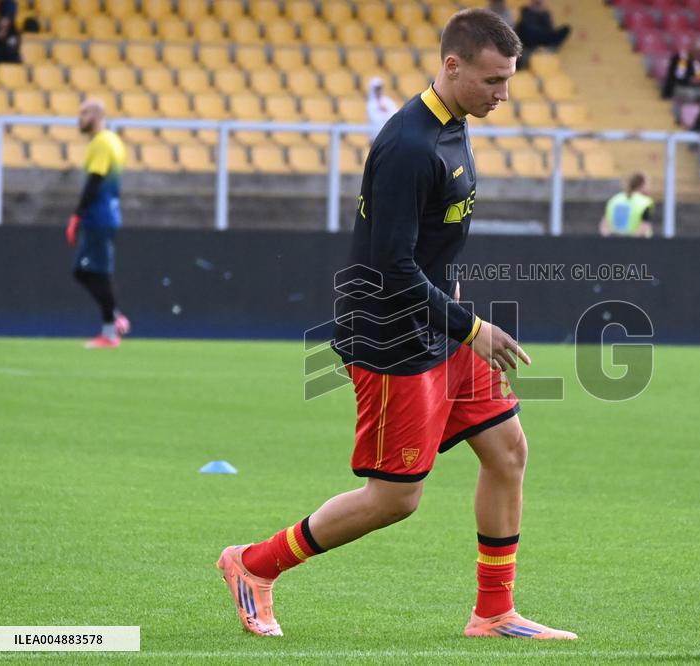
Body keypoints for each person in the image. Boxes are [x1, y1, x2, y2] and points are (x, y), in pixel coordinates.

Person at [216, 9, 577, 642]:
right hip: (391, 337)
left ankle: (493, 613)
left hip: (439, 326)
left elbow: (430, 248)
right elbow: (390, 268)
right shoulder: (408, 145)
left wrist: (457, 314)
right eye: (494, 81)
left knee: (508, 450)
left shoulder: (455, 125)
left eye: (509, 79)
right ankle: (253, 565)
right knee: (394, 499)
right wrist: (471, 328)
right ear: (452, 65)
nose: (505, 94)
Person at [67, 99, 131, 349]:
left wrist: (76, 215)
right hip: (103, 216)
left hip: (100, 216)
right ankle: (113, 315)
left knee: (99, 273)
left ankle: (110, 332)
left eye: (84, 113)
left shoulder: (102, 142)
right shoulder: (113, 141)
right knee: (83, 272)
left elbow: (95, 180)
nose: (79, 118)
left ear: (97, 115)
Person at [663, 40, 700, 122]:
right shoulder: (683, 58)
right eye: (697, 50)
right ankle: (687, 118)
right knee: (690, 94)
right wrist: (691, 80)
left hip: (698, 88)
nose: (699, 53)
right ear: (692, 48)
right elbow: (679, 77)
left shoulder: (699, 61)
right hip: (681, 87)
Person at [599, 173, 654, 238]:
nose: (650, 187)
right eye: (648, 184)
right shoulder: (644, 202)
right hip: (636, 245)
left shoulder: (614, 200)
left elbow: (604, 227)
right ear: (642, 185)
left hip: (613, 244)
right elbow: (644, 229)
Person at [365, 76, 397, 143]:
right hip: (375, 138)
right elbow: (375, 120)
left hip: (389, 136)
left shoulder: (388, 101)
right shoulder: (371, 104)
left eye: (380, 88)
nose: (379, 90)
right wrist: (386, 113)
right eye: (377, 88)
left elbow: (395, 116)